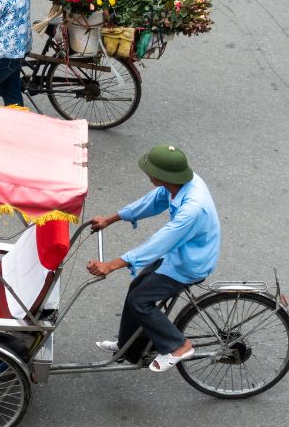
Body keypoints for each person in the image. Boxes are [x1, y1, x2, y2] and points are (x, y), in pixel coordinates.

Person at [86, 145, 221, 373]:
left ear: (163, 176)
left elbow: (160, 242)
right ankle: (129, 348)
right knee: (136, 287)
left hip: (189, 264)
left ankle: (180, 345)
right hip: (177, 254)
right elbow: (152, 201)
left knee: (140, 300)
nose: (148, 174)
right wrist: (111, 219)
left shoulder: (193, 209)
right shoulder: (178, 184)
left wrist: (111, 265)